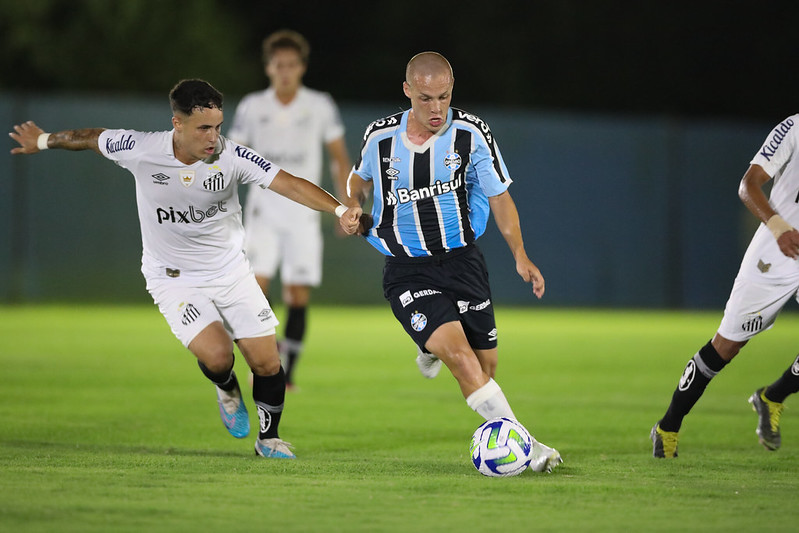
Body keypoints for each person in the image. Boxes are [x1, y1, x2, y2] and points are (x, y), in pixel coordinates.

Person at [9, 79, 361, 459]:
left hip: (231, 273)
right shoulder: (141, 148)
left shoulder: (232, 156)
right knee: (218, 356)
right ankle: (226, 389)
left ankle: (268, 439)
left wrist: (340, 210)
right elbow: (91, 136)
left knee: (267, 361)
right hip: (173, 278)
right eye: (204, 128)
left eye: (218, 126)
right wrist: (44, 141)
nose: (214, 137)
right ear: (177, 123)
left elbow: (289, 184)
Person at [347, 52, 562, 473]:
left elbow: (499, 197)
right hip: (407, 267)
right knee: (462, 359)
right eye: (425, 98)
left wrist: (520, 255)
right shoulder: (380, 137)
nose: (436, 108)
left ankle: (426, 342)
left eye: (443, 97)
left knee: (486, 366)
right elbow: (360, 178)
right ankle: (529, 447)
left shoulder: (472, 134)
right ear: (408, 91)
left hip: (463, 262)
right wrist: (353, 205)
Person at [651, 115, 799, 458]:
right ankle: (668, 426)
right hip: (778, 249)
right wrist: (778, 227)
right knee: (726, 347)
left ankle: (772, 397)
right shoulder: (793, 127)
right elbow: (748, 185)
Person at [227, 30, 352, 390]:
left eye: (291, 65)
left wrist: (345, 206)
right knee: (256, 286)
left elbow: (339, 158)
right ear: (268, 68)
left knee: (297, 294)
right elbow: (231, 159)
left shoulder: (320, 104)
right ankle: (266, 358)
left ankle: (289, 373)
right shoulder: (253, 106)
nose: (285, 71)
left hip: (303, 214)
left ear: (302, 67)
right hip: (263, 211)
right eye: (278, 65)